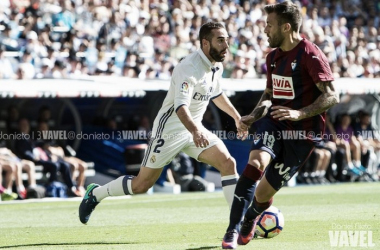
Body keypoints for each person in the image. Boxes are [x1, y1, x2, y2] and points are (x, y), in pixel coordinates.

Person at [79, 22, 248, 224]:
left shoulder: (216, 66)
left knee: (228, 163)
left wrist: (237, 117)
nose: (226, 46)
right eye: (221, 40)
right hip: (170, 131)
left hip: (195, 129)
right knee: (141, 185)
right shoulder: (188, 67)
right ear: (205, 43)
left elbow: (217, 94)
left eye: (227, 40)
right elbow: (180, 107)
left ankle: (239, 222)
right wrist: (195, 131)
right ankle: (96, 193)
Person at [221, 2, 339, 249]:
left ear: (286, 27)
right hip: (274, 123)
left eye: (269, 25)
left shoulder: (310, 55)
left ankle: (252, 217)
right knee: (255, 164)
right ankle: (231, 230)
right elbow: (268, 95)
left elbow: (331, 96)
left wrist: (299, 113)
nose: (265, 30)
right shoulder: (272, 57)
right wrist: (252, 116)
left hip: (303, 134)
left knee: (263, 194)